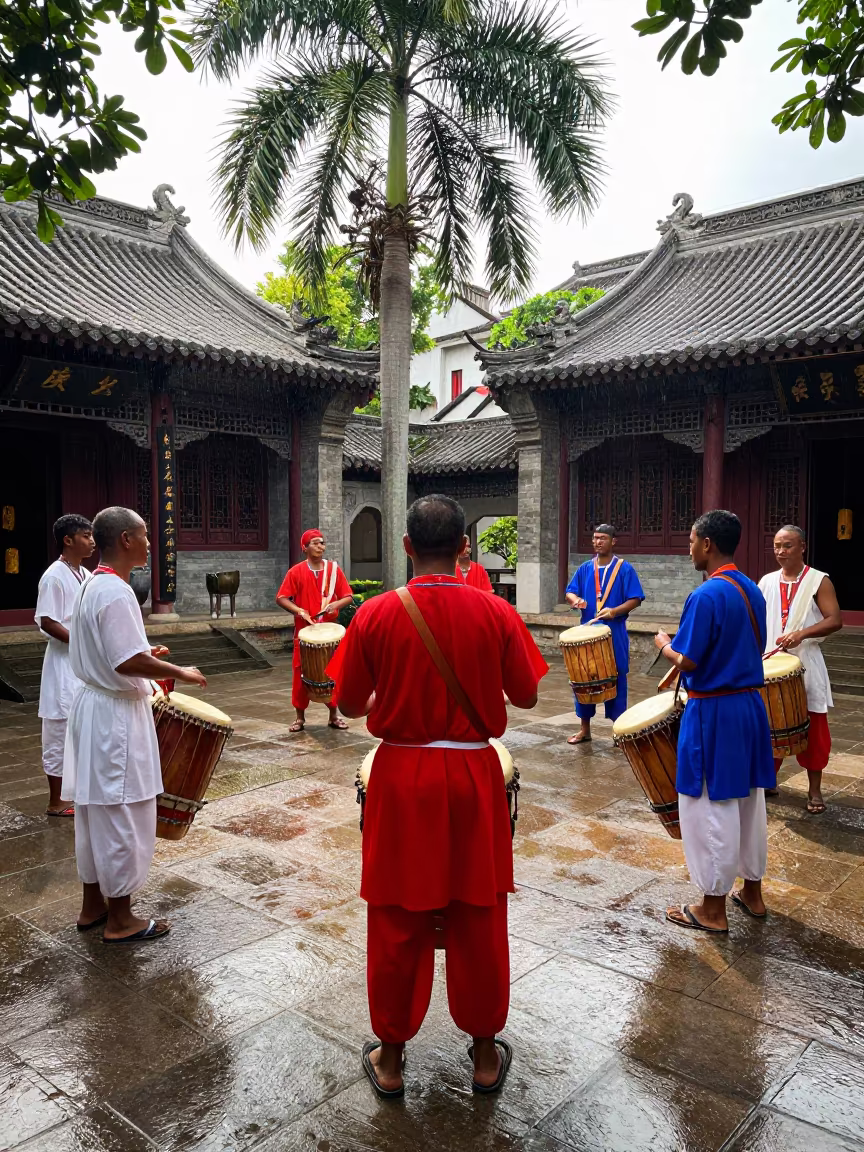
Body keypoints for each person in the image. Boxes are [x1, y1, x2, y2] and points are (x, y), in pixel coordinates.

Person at [328, 494, 547, 1098]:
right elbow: (525, 697)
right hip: (475, 777)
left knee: (398, 916)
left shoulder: (374, 614)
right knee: (479, 914)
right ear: (463, 549)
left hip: (401, 778)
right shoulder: (496, 612)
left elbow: (347, 705)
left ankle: (392, 1062)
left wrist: (392, 701)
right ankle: (482, 1058)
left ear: (404, 548)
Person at [63, 507, 206, 942]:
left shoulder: (91, 585)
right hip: (114, 717)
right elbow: (125, 660)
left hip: (94, 708)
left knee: (93, 811)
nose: (151, 543)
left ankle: (93, 906)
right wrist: (179, 671)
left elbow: (115, 651)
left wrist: (147, 655)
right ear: (126, 539)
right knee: (123, 811)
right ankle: (122, 919)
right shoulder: (117, 591)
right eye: (145, 536)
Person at [655, 510, 775, 933]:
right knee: (748, 801)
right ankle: (753, 895)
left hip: (715, 710)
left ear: (707, 544)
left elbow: (688, 659)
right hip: (748, 706)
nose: (689, 549)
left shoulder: (705, 595)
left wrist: (665, 645)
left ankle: (712, 908)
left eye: (690, 541)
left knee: (710, 805)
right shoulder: (752, 589)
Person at [758, 525, 842, 814]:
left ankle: (815, 790)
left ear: (802, 547)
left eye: (788, 545)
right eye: (777, 546)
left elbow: (834, 620)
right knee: (769, 726)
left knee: (814, 730)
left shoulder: (819, 581)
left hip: (807, 664)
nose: (781, 551)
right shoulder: (767, 582)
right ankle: (768, 781)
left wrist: (802, 633)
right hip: (771, 665)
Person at [35, 514, 95, 817]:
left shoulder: (84, 573)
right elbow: (48, 619)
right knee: (58, 730)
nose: (92, 541)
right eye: (85, 535)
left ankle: (77, 792)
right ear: (68, 540)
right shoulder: (54, 575)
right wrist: (81, 641)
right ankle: (56, 800)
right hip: (61, 661)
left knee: (80, 727)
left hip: (79, 664)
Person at [564, 524, 645, 745]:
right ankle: (584, 729)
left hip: (614, 632)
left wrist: (615, 611)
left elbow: (635, 598)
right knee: (583, 679)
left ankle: (618, 731)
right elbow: (570, 590)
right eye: (595, 538)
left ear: (613, 541)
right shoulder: (584, 568)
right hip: (587, 632)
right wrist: (575, 600)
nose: (598, 542)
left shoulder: (624, 569)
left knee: (617, 678)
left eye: (602, 538)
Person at [276, 529, 354, 733]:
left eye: (322, 543)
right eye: (315, 543)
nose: (321, 546)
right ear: (305, 548)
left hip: (329, 633)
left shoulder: (334, 570)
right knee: (299, 674)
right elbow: (282, 597)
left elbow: (348, 596)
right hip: (304, 633)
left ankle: (333, 716)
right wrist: (299, 610)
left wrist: (335, 604)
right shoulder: (296, 572)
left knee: (333, 675)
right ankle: (299, 717)